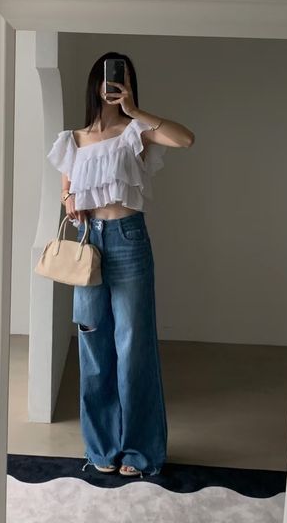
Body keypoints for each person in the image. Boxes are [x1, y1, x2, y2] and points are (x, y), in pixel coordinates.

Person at [46, 51, 195, 478]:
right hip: (89, 243)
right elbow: (66, 191)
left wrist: (135, 111)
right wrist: (70, 201)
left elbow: (186, 139)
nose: (113, 85)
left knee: (134, 349)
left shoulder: (136, 133)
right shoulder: (72, 139)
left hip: (129, 239)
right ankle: (101, 447)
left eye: (122, 78)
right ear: (95, 84)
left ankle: (141, 451)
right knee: (93, 347)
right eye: (108, 78)